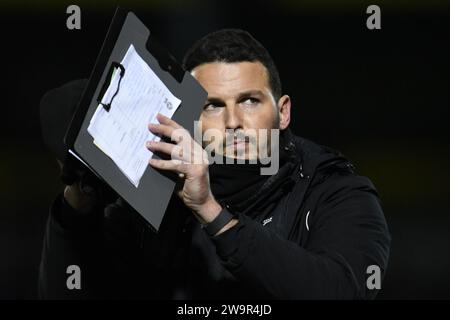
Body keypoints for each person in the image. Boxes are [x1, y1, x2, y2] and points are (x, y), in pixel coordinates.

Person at [39, 29, 390, 299]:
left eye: (250, 101)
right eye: (213, 106)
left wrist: (208, 209)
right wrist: (77, 206)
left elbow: (342, 291)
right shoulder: (154, 201)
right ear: (188, 117)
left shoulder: (334, 191)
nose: (234, 121)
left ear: (283, 112)